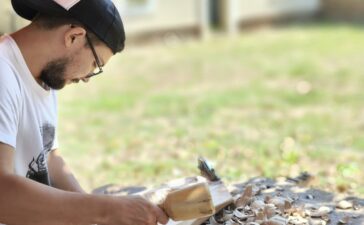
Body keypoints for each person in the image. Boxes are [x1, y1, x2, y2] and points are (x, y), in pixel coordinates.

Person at [0, 0, 169, 224]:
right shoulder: (3, 73)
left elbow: (49, 158)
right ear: (74, 37)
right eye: (95, 64)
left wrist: (92, 216)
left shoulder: (44, 78)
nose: (87, 78)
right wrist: (104, 210)